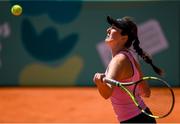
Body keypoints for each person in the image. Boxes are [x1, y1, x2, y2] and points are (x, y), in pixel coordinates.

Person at [93, 16, 163, 123]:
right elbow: (146, 92)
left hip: (133, 120)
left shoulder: (118, 61)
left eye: (113, 28)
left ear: (124, 38)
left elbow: (106, 94)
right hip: (145, 117)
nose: (108, 30)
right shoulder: (130, 57)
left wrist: (99, 83)